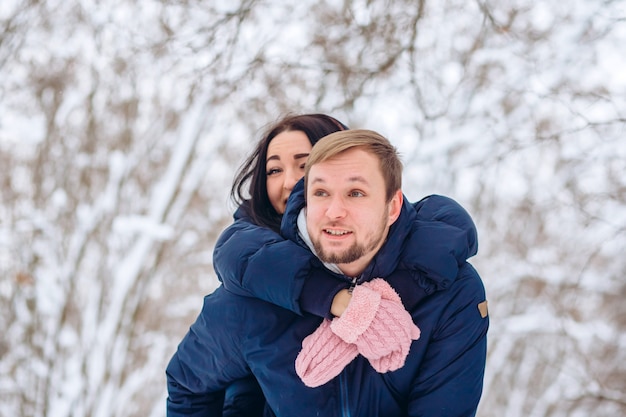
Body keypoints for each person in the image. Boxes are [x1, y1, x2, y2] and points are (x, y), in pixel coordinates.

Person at [167, 129, 489, 416]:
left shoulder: (453, 295)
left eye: (356, 193)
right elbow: (188, 384)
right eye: (321, 193)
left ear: (392, 207)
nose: (334, 212)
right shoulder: (255, 298)